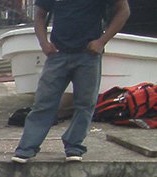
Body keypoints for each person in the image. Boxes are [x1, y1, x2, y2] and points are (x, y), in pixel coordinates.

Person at [11, 0, 130, 164]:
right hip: (58, 54)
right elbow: (39, 15)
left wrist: (102, 41)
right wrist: (44, 43)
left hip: (89, 55)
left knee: (85, 103)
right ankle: (26, 148)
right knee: (44, 102)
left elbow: (123, 10)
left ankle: (74, 145)